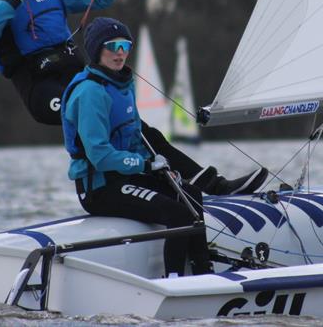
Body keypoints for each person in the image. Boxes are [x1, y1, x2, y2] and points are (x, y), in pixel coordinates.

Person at [0, 0, 267, 196]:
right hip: (41, 89)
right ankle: (129, 192)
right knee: (108, 128)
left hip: (80, 80)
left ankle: (206, 186)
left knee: (140, 130)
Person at [61, 17, 212, 276]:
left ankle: (203, 270)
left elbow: (133, 139)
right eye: (112, 46)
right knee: (177, 214)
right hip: (100, 188)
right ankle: (174, 280)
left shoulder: (122, 84)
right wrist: (144, 165)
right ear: (97, 50)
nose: (120, 53)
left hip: (126, 178)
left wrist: (157, 170)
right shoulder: (90, 93)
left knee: (191, 196)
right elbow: (99, 155)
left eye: (125, 46)